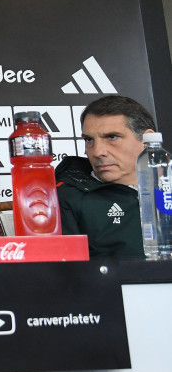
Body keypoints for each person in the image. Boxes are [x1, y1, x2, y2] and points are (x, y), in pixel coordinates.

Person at [55, 95, 153, 258]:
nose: (98, 151)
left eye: (112, 137)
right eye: (89, 140)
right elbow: (65, 276)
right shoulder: (64, 197)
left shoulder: (165, 186)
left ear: (147, 140)